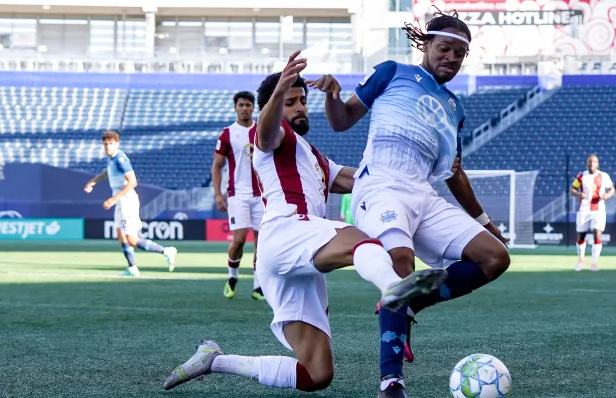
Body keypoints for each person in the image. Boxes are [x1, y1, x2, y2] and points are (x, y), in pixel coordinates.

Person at [163, 52, 447, 393]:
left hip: (295, 259)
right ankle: (394, 290)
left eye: (302, 101)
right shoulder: (274, 135)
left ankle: (214, 360)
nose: (299, 107)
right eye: (290, 102)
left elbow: (361, 179)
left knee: (316, 374)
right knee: (363, 242)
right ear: (275, 105)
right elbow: (264, 134)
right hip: (286, 230)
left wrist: (416, 176)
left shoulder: (314, 157)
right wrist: (279, 91)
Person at [308, 10, 511, 398]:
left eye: (459, 54)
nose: (451, 58)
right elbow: (342, 121)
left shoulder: (455, 108)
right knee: (401, 262)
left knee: (495, 257)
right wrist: (333, 95)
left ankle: (410, 301)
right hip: (381, 185)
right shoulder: (391, 72)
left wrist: (485, 222)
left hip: (424, 195)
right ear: (426, 44)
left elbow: (454, 174)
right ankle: (391, 383)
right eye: (445, 48)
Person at [84, 130, 177, 276]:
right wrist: (93, 181)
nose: (107, 147)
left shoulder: (120, 159)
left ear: (117, 144)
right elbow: (108, 172)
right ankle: (132, 267)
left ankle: (166, 251)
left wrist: (114, 199)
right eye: (105, 144)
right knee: (120, 233)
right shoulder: (112, 159)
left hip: (126, 200)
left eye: (110, 144)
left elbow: (133, 182)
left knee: (132, 239)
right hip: (120, 201)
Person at [212, 91, 265, 300]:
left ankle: (258, 285)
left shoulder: (262, 130)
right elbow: (217, 165)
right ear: (235, 108)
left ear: (253, 108)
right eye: (241, 105)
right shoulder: (227, 133)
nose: (244, 108)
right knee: (240, 240)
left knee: (262, 242)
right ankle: (232, 277)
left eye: (248, 105)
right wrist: (218, 194)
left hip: (261, 195)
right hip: (237, 194)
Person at [570, 154, 615, 272]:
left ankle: (594, 263)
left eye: (594, 162)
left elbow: (612, 189)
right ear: (587, 164)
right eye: (590, 162)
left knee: (597, 234)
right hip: (584, 209)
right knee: (581, 236)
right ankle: (581, 260)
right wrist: (579, 194)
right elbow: (572, 189)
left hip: (598, 210)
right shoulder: (582, 176)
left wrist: (606, 195)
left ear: (597, 164)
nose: (591, 164)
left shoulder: (603, 176)